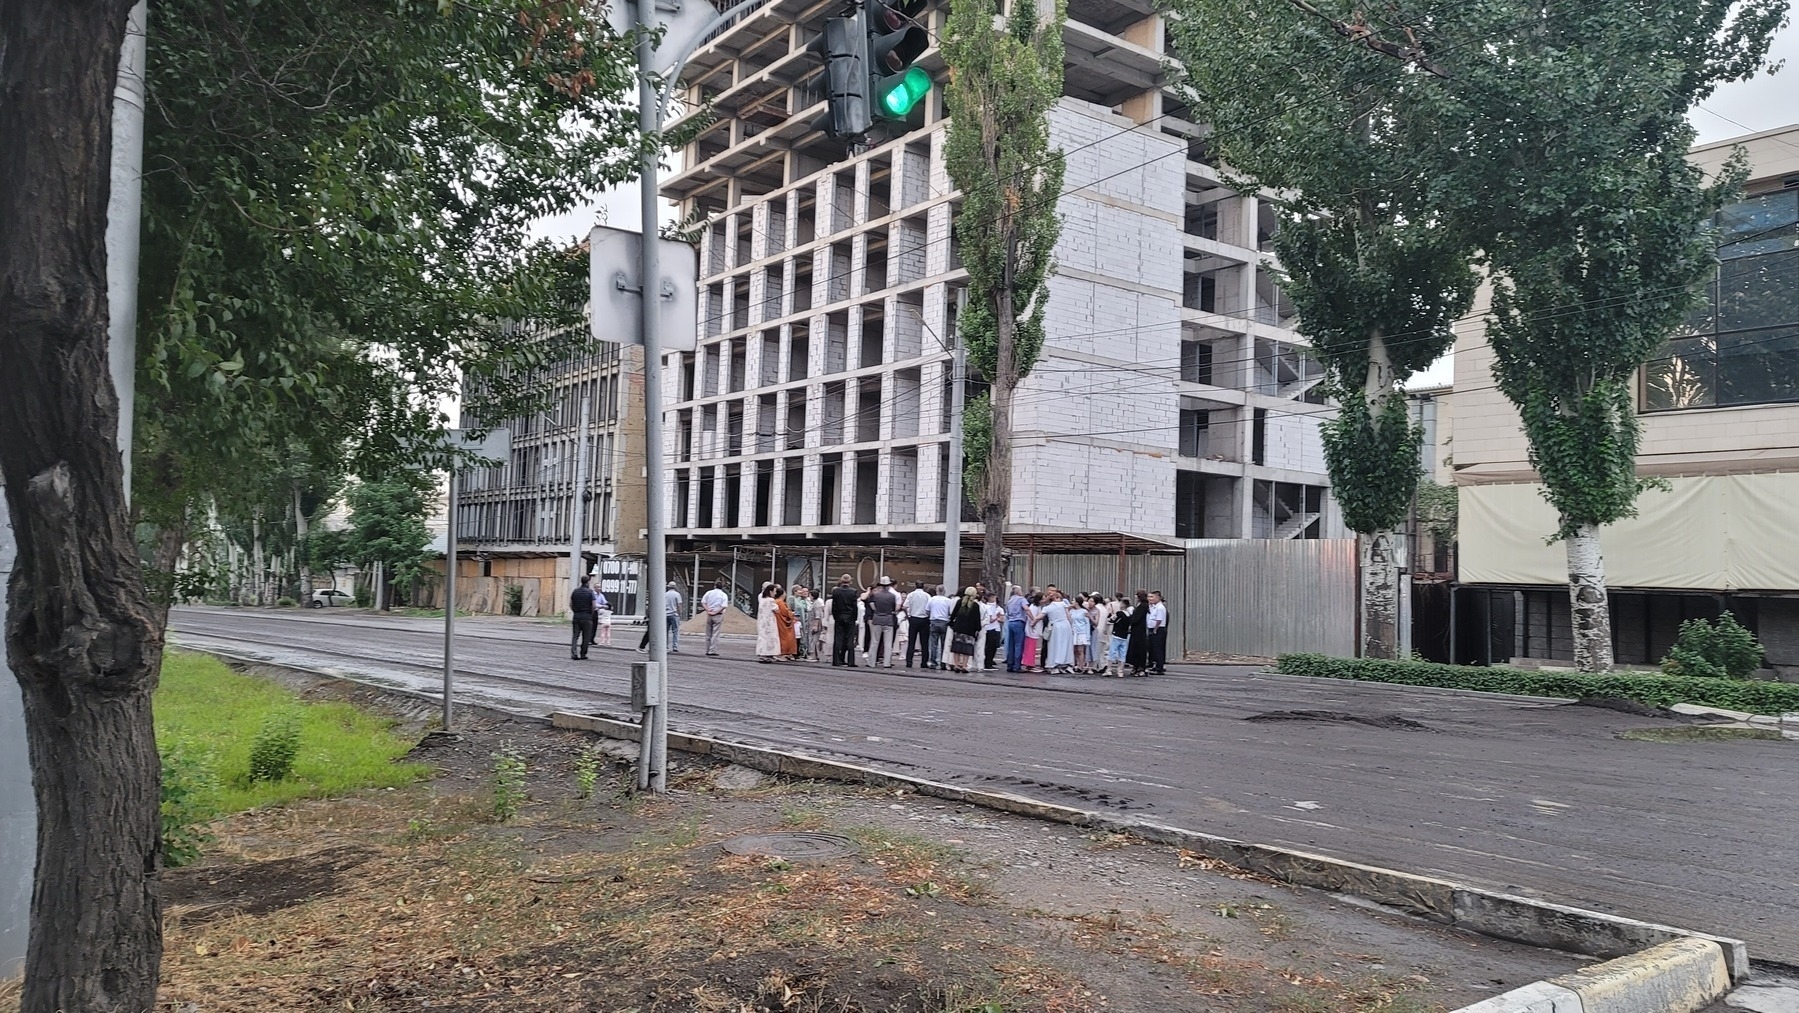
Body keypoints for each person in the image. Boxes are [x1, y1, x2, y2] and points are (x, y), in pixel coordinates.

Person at [637, 581, 683, 653]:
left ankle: (665, 646)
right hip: (673, 614)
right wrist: (679, 613)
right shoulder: (677, 594)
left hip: (665, 614)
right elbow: (679, 605)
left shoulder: (664, 595)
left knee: (664, 631)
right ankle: (675, 647)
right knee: (675, 631)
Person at [867, 575, 901, 667]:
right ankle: (887, 663)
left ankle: (871, 662)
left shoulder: (875, 595)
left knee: (874, 641)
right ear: (889, 585)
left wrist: (877, 611)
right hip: (888, 619)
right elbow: (894, 608)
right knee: (888, 643)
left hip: (877, 618)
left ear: (881, 585)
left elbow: (872, 606)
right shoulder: (892, 596)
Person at [946, 586, 982, 673]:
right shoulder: (975, 605)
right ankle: (965, 665)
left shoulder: (959, 602)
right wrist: (978, 629)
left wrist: (951, 624)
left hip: (958, 628)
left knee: (956, 646)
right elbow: (977, 619)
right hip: (969, 630)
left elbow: (953, 614)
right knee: (967, 648)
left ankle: (956, 664)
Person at [829, 574, 860, 666]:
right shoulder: (853, 592)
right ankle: (851, 661)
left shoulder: (836, 591)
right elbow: (855, 607)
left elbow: (834, 606)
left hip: (839, 616)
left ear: (841, 581)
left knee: (838, 638)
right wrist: (854, 618)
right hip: (850, 617)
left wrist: (836, 616)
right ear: (850, 582)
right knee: (850, 639)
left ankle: (836, 660)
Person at [1044, 590, 1074, 675]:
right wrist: (1071, 625)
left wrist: (1033, 621)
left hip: (1055, 626)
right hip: (1066, 625)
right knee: (1066, 645)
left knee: (1055, 645)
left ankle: (1054, 664)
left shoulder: (1048, 607)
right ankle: (1065, 663)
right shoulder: (1063, 604)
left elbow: (1040, 616)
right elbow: (1068, 616)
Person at [903, 580, 932, 668]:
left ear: (915, 586)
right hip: (924, 619)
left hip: (913, 618)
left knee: (911, 642)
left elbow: (904, 606)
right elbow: (929, 608)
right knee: (924, 643)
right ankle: (924, 662)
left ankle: (909, 662)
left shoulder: (911, 595)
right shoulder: (927, 595)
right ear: (923, 586)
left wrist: (908, 614)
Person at [569, 575, 598, 660]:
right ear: (588, 582)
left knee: (575, 636)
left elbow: (570, 604)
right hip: (587, 617)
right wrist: (591, 613)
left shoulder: (575, 591)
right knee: (586, 636)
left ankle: (574, 653)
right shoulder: (590, 592)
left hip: (577, 616)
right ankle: (583, 654)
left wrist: (575, 611)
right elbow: (594, 605)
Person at [1124, 588, 1152, 676]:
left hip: (1139, 630)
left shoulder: (1143, 605)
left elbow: (1136, 618)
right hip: (1136, 630)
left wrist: (1130, 620)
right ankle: (1136, 666)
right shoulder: (1140, 605)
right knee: (1135, 649)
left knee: (1140, 649)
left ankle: (1141, 668)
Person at [926, 584, 953, 670]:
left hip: (934, 621)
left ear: (937, 591)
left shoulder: (931, 599)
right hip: (944, 622)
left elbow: (927, 610)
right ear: (944, 591)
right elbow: (950, 612)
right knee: (944, 644)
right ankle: (943, 663)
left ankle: (933, 662)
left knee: (933, 644)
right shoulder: (948, 601)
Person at [1003, 584, 1029, 673]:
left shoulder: (1009, 601)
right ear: (1018, 591)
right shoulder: (1021, 599)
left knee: (1011, 644)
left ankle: (1010, 664)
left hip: (1010, 622)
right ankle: (1017, 666)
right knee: (1018, 645)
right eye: (1021, 590)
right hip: (1019, 622)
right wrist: (1032, 618)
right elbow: (1026, 608)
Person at [701, 578, 729, 657]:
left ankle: (707, 649)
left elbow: (703, 602)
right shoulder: (723, 595)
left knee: (708, 633)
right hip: (718, 615)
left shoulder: (709, 593)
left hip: (709, 614)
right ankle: (712, 650)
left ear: (714, 586)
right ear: (722, 587)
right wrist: (716, 612)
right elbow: (723, 606)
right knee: (715, 634)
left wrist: (708, 610)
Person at [756, 584, 783, 663]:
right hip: (769, 621)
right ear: (770, 591)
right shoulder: (770, 600)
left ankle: (761, 654)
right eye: (774, 592)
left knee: (762, 637)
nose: (775, 594)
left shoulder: (761, 598)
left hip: (761, 620)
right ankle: (768, 653)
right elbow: (776, 610)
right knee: (770, 638)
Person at [1146, 589, 1169, 676]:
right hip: (1153, 628)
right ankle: (1156, 665)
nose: (1150, 599)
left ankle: (1160, 667)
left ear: (1158, 598)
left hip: (1158, 629)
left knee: (1158, 649)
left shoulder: (1160, 608)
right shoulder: (1153, 607)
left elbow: (1159, 620)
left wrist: (1155, 629)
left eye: (1152, 597)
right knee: (1154, 649)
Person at [979, 591, 1003, 672]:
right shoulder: (988, 607)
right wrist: (997, 617)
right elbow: (990, 619)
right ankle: (987, 663)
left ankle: (989, 662)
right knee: (990, 647)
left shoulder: (994, 607)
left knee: (993, 647)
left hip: (994, 628)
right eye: (993, 597)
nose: (994, 599)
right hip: (989, 629)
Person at [1070, 593, 1094, 674]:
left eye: (1073, 600)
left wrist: (1087, 636)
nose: (1072, 602)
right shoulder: (1072, 611)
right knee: (1074, 650)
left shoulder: (1084, 611)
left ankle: (1080, 666)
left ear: (1077, 602)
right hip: (1074, 632)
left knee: (1080, 650)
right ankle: (1074, 664)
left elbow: (1087, 624)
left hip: (1081, 632)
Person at [1023, 594, 1045, 672]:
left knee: (1032, 647)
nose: (1044, 601)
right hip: (1032, 629)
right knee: (1030, 647)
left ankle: (1030, 663)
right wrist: (1033, 622)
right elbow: (1030, 617)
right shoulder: (1034, 607)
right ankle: (1029, 664)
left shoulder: (1037, 607)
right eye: (1042, 599)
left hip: (1035, 628)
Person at [775, 585, 798, 659]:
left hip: (780, 622)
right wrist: (792, 614)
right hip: (783, 623)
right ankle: (784, 652)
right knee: (786, 638)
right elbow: (786, 612)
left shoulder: (777, 602)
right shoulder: (780, 602)